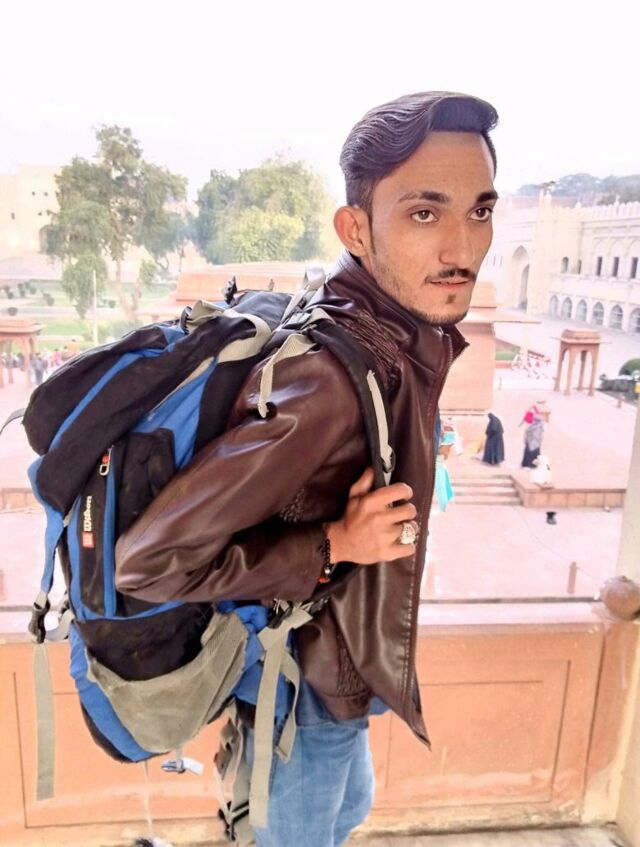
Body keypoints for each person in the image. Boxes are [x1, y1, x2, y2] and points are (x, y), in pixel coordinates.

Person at [115, 91, 499, 846]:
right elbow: (147, 561)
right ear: (356, 229)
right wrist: (335, 544)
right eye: (425, 213)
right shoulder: (328, 379)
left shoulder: (388, 329)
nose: (462, 247)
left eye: (480, 210)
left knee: (346, 812)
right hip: (301, 688)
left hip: (338, 676)